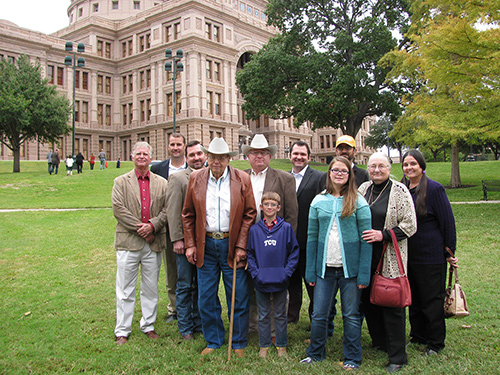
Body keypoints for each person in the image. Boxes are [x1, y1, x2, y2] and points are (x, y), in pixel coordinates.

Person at [182, 137, 256, 357]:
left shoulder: (241, 178)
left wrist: (242, 245)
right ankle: (214, 340)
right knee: (206, 295)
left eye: (221, 157)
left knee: (238, 294)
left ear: (228, 159)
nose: (216, 161)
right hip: (205, 244)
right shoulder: (196, 178)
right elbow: (187, 214)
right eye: (212, 157)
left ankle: (238, 340)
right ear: (207, 157)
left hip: (231, 245)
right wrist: (190, 245)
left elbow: (249, 213)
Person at [300, 156, 372, 370]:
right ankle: (315, 353)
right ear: (329, 173)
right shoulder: (318, 201)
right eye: (335, 170)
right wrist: (310, 272)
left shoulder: (359, 201)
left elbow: (366, 240)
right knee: (319, 314)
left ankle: (352, 357)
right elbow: (311, 238)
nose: (339, 174)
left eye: (344, 171)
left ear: (350, 175)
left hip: (350, 271)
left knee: (350, 315)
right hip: (324, 269)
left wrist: (364, 274)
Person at [358, 152, 417, 373]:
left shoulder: (400, 191)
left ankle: (398, 356)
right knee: (369, 300)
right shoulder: (363, 189)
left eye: (381, 166)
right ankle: (380, 341)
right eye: (372, 166)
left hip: (389, 255)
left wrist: (382, 235)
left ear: (390, 168)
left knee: (391, 303)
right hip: (365, 256)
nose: (376, 170)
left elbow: (410, 225)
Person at [401, 149, 458, 355]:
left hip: (431, 255)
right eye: (406, 165)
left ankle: (435, 342)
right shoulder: (403, 188)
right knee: (414, 299)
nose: (409, 168)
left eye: (413, 164)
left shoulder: (434, 189)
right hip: (409, 254)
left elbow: (447, 222)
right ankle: (418, 336)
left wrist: (449, 251)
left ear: (421, 166)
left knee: (431, 300)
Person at [112, 141, 169, 345]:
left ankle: (148, 325)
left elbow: (166, 210)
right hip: (129, 242)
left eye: (145, 154)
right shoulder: (120, 182)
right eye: (138, 153)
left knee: (150, 288)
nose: (142, 157)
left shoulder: (162, 183)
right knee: (125, 289)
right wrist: (142, 229)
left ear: (151, 158)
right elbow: (119, 209)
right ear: (132, 156)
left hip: (153, 243)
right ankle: (122, 330)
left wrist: (152, 226)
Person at [242, 134, 298, 332]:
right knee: (250, 283)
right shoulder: (241, 177)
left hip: (276, 243)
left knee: (276, 284)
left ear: (270, 156)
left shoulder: (285, 179)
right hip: (249, 241)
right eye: (255, 153)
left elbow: (291, 216)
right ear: (248, 156)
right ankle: (253, 326)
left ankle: (275, 329)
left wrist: (286, 246)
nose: (259, 156)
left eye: (263, 153)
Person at [247, 192, 299, 359]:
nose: (270, 207)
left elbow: (294, 252)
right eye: (266, 204)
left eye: (273, 205)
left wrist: (286, 272)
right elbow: (250, 253)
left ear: (279, 208)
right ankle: (264, 343)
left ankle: (281, 343)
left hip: (280, 279)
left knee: (280, 313)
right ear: (261, 207)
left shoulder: (286, 228)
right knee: (262, 314)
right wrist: (255, 273)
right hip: (261, 280)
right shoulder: (255, 230)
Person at [165, 140, 206, 340]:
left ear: (205, 155)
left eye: (199, 154)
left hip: (206, 243)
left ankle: (199, 323)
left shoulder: (212, 176)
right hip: (185, 242)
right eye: (192, 155)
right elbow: (173, 212)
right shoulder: (178, 178)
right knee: (184, 284)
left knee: (202, 284)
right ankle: (186, 327)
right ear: (186, 158)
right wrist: (177, 240)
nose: (196, 158)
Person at [287, 141, 326, 324]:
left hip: (310, 241)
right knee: (291, 282)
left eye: (303, 154)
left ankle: (315, 318)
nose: (299, 157)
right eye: (295, 153)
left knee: (312, 283)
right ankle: (291, 316)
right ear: (290, 156)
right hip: (288, 243)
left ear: (309, 157)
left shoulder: (319, 178)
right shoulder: (284, 178)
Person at [151, 133, 188, 323]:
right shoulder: (157, 169)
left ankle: (192, 306)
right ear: (168, 147)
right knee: (172, 269)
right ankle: (174, 309)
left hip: (190, 225)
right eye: (172, 144)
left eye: (179, 144)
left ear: (184, 146)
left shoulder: (194, 167)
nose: (175, 148)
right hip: (167, 226)